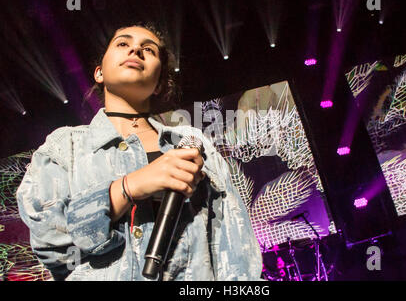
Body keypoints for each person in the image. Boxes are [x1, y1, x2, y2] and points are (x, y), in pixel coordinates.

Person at [16, 22, 262, 281]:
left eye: (149, 50)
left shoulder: (194, 145)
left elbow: (236, 252)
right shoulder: (65, 147)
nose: (135, 50)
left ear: (158, 84)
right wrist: (130, 187)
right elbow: (49, 240)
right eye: (123, 44)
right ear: (99, 73)